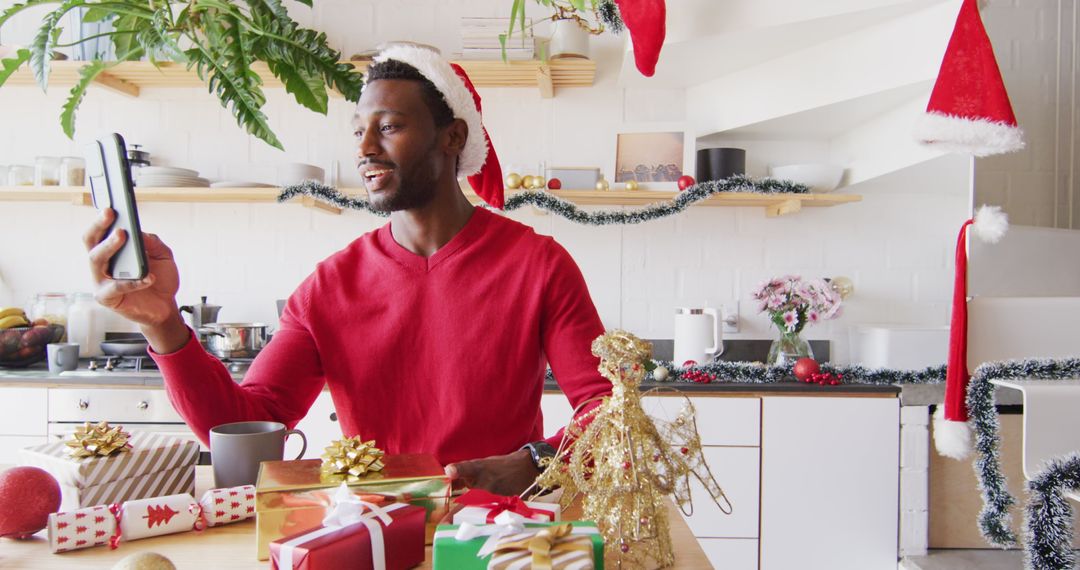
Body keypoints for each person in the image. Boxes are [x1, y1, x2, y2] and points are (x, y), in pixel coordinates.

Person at [81, 46, 611, 496]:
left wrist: (536, 460)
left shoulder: (537, 265)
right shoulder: (329, 286)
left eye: (390, 127)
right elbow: (243, 425)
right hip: (373, 531)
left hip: (501, 532)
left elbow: (607, 411)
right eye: (358, 130)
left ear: (452, 138)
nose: (364, 149)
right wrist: (162, 324)